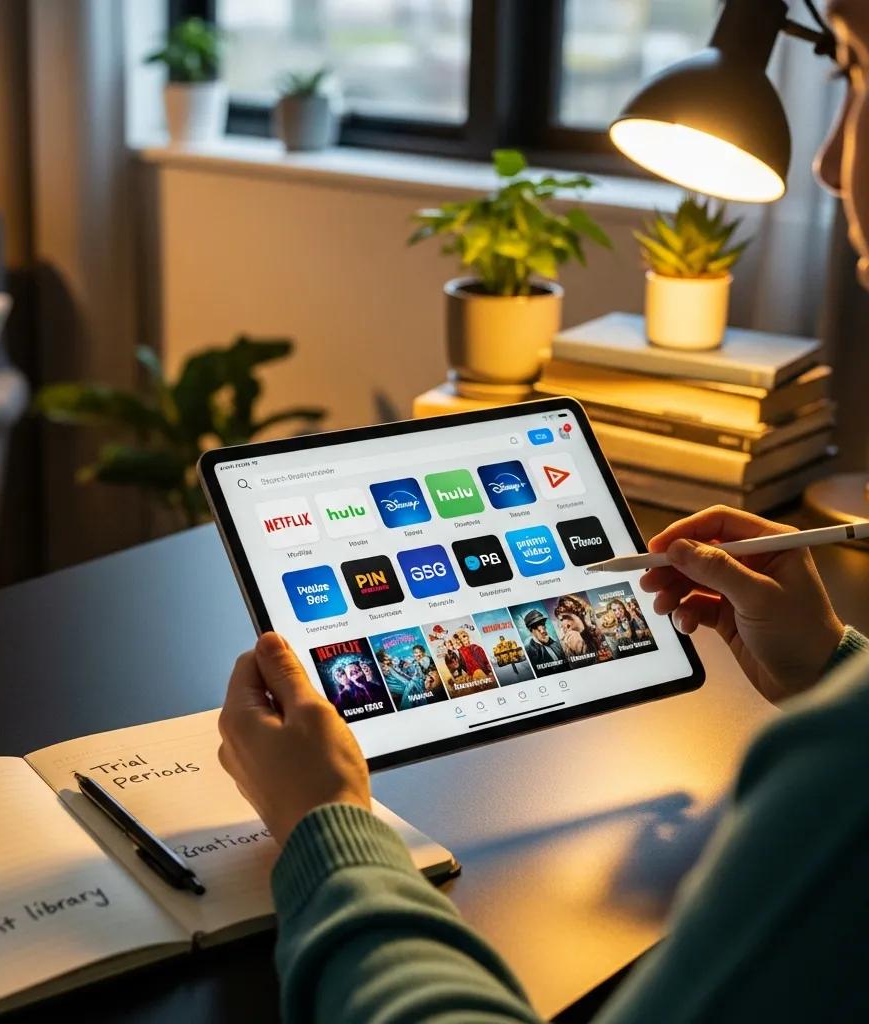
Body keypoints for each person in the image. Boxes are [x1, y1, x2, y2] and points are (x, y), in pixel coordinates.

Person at [217, 4, 869, 1016]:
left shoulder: (842, 780)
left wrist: (327, 825)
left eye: (858, 76)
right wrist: (832, 665)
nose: (827, 164)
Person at [522, 608, 567, 673]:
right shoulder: (529, 653)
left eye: (542, 623)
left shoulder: (557, 644)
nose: (542, 630)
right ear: (530, 630)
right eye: (535, 626)